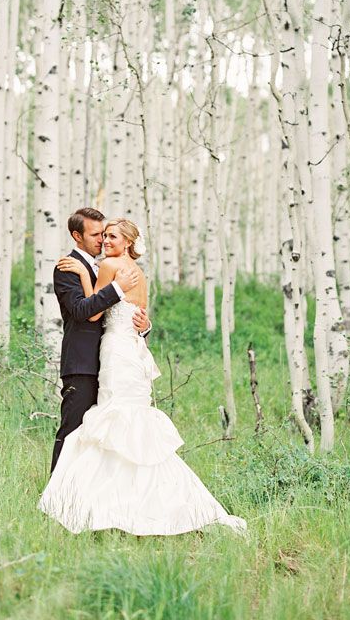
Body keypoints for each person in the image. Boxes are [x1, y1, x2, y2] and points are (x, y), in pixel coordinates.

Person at [39, 217, 247, 536]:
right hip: (132, 352)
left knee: (109, 423)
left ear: (128, 242)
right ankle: (137, 501)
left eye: (112, 236)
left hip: (115, 352)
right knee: (128, 424)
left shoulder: (108, 266)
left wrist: (83, 272)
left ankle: (83, 501)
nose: (106, 241)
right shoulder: (139, 272)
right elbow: (139, 315)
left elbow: (93, 311)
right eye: (103, 235)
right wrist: (143, 326)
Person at [50, 208, 151, 473]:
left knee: (108, 432)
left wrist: (144, 327)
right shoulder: (68, 268)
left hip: (115, 360)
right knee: (73, 431)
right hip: (83, 363)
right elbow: (83, 311)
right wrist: (115, 288)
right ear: (77, 236)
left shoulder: (111, 265)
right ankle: (56, 494)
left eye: (106, 234)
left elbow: (136, 310)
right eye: (96, 235)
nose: (102, 240)